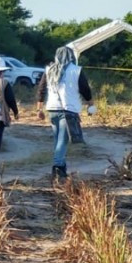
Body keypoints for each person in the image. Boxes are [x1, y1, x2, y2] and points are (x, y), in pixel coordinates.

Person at [35, 46, 93, 179]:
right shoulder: (76, 70)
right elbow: (85, 90)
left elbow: (41, 89)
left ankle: (62, 166)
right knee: (63, 140)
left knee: (58, 139)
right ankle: (57, 167)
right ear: (71, 56)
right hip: (69, 109)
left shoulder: (49, 69)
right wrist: (91, 105)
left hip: (52, 109)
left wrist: (39, 109)